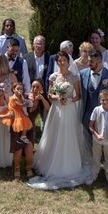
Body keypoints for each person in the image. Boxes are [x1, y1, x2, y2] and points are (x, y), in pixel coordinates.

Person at [29, 51, 89, 190]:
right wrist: (57, 98)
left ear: (69, 62)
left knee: (68, 136)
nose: (62, 63)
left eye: (64, 60)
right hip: (56, 110)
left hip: (69, 111)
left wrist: (68, 100)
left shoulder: (74, 77)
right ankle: (50, 163)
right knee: (54, 135)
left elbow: (78, 96)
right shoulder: (53, 76)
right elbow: (50, 94)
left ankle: (69, 166)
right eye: (59, 61)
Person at [79, 50, 108, 166]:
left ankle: (106, 166)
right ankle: (90, 165)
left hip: (104, 115)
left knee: (104, 141)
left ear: (99, 61)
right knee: (87, 141)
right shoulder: (83, 74)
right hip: (87, 113)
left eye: (91, 61)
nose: (89, 63)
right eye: (88, 61)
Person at [0, 82, 34, 179]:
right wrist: (24, 103)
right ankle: (17, 169)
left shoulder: (24, 96)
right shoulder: (13, 98)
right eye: (18, 89)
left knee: (29, 148)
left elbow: (31, 104)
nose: (19, 91)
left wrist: (27, 99)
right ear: (13, 89)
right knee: (18, 150)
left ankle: (29, 168)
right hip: (17, 122)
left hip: (25, 122)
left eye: (21, 89)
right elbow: (19, 105)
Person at [87, 89, 108, 188]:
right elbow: (90, 126)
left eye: (107, 100)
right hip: (97, 139)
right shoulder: (96, 110)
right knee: (96, 157)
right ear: (100, 100)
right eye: (102, 100)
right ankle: (94, 175)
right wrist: (97, 135)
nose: (104, 102)